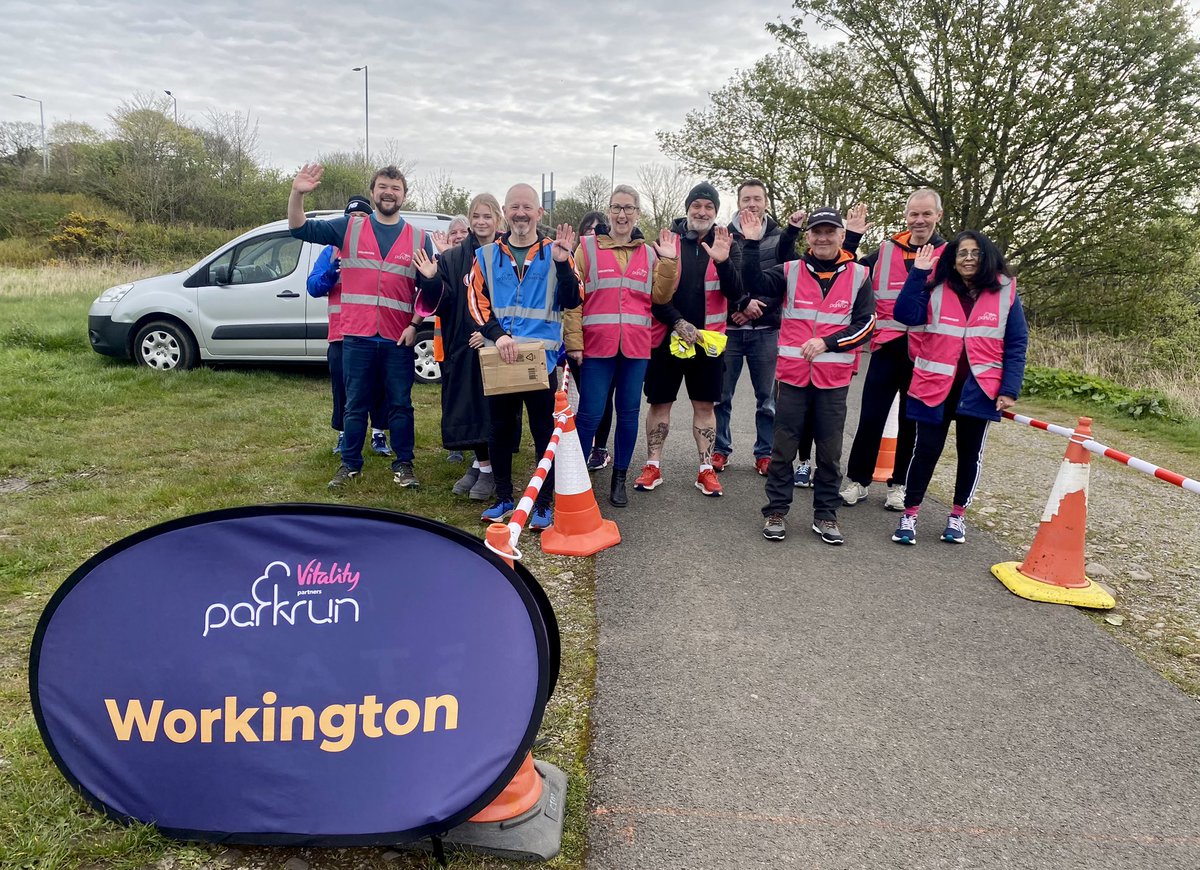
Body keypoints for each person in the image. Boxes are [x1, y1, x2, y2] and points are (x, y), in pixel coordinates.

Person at [289, 163, 434, 489]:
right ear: (373, 192)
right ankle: (350, 464)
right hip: (357, 335)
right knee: (354, 405)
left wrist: (415, 324)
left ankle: (404, 465)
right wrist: (297, 194)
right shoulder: (347, 229)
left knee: (400, 405)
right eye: (383, 186)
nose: (389, 193)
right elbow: (299, 228)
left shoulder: (419, 239)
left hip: (398, 338)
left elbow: (429, 292)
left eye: (395, 188)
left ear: (404, 195)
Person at [741, 207, 875, 545]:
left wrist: (827, 342)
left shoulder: (859, 275)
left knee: (829, 453)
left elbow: (866, 325)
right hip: (792, 378)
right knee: (783, 449)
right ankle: (776, 511)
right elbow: (753, 283)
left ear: (842, 237)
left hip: (833, 381)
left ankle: (826, 516)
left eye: (830, 232)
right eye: (817, 232)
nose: (823, 237)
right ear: (809, 237)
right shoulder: (790, 271)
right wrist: (752, 244)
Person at [451, 183, 580, 530]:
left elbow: (573, 299)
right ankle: (505, 497)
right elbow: (476, 305)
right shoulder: (487, 255)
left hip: (542, 362)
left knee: (543, 433)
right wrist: (499, 335)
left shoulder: (557, 251)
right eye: (514, 207)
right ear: (505, 213)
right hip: (500, 357)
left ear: (539, 213)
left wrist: (564, 264)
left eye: (527, 207)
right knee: (501, 430)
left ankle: (543, 503)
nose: (520, 213)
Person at [890, 232, 1028, 545]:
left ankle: (957, 517)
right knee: (924, 452)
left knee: (969, 455)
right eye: (961, 253)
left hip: (979, 389)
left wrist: (1010, 389)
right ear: (953, 259)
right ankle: (909, 515)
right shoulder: (935, 285)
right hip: (933, 386)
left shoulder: (1006, 292)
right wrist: (919, 273)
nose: (967, 258)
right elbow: (905, 315)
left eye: (975, 253)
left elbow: (1017, 342)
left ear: (987, 257)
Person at [562, 185, 679, 506]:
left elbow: (660, 297)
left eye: (628, 208)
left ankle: (619, 480)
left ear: (638, 213)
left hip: (636, 350)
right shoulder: (586, 248)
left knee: (628, 415)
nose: (622, 214)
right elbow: (573, 301)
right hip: (596, 349)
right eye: (616, 208)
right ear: (609, 211)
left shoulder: (651, 253)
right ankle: (577, 482)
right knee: (589, 415)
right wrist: (573, 341)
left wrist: (668, 263)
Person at [840, 189, 946, 512]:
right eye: (914, 214)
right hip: (886, 348)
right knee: (871, 416)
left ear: (938, 216)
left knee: (910, 421)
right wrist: (852, 239)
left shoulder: (949, 254)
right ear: (906, 216)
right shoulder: (886, 250)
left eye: (926, 214)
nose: (919, 220)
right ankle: (858, 481)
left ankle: (900, 485)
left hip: (924, 351)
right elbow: (847, 270)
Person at [634, 182, 742, 498]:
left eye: (709, 207)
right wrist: (677, 321)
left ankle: (705, 469)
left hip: (708, 342)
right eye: (697, 205)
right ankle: (653, 464)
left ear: (716, 212)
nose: (702, 211)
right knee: (659, 403)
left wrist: (723, 262)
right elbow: (654, 296)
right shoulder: (666, 242)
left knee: (705, 405)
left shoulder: (727, 244)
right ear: (688, 208)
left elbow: (737, 295)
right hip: (667, 337)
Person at [417, 197, 504, 500]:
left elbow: (512, 300)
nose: (481, 222)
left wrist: (490, 332)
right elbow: (445, 300)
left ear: (498, 219)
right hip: (462, 344)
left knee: (494, 412)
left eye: (487, 216)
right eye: (476, 216)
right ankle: (482, 466)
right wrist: (430, 279)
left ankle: (493, 471)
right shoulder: (454, 258)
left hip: (498, 344)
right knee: (468, 409)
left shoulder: (506, 254)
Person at [306, 195, 393, 461]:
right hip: (342, 334)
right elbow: (313, 287)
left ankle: (379, 433)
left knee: (378, 385)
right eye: (351, 218)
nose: (355, 222)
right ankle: (344, 434)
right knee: (343, 388)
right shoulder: (332, 249)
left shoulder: (376, 250)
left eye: (362, 218)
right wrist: (332, 272)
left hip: (374, 332)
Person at [563, 211, 618, 472]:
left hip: (606, 342)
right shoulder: (571, 261)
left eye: (598, 229)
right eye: (588, 228)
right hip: (578, 340)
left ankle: (600, 448)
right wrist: (574, 340)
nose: (592, 233)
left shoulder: (610, 260)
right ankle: (580, 447)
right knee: (586, 397)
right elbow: (570, 305)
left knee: (605, 397)